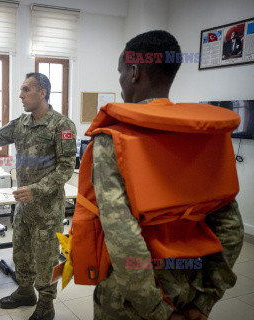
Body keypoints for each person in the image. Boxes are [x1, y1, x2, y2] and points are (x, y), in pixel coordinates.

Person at [73, 30, 243, 320]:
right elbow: (232, 231)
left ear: (135, 72)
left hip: (130, 302)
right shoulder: (208, 137)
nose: (121, 81)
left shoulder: (112, 139)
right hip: (189, 288)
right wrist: (204, 301)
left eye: (121, 72)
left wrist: (158, 312)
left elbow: (123, 238)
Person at [0, 72, 77, 320]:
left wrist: (36, 189)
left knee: (46, 258)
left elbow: (66, 168)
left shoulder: (62, 125)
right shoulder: (22, 123)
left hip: (47, 208)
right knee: (21, 253)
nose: (20, 95)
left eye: (26, 90)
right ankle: (25, 292)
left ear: (42, 93)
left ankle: (45, 303)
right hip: (23, 207)